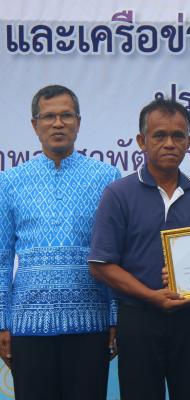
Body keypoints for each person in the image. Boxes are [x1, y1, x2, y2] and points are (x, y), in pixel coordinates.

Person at [89, 98, 190, 400]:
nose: (169, 143)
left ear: (189, 142)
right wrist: (151, 296)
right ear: (141, 141)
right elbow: (101, 265)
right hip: (139, 319)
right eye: (159, 135)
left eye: (178, 136)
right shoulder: (119, 194)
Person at [0, 85, 121, 400]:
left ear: (78, 122)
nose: (58, 123)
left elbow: (114, 256)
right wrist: (1, 323)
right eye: (48, 116)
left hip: (91, 324)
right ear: (34, 125)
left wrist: (115, 317)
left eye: (66, 115)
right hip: (28, 326)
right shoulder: (9, 182)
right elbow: (1, 259)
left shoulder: (107, 178)